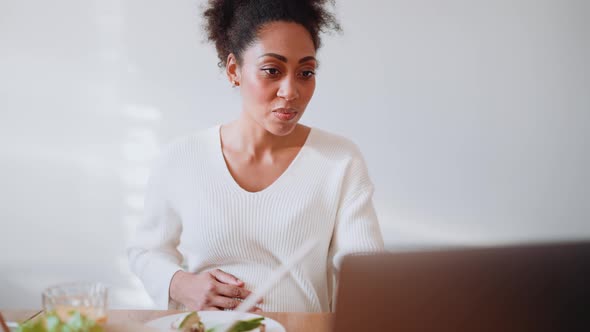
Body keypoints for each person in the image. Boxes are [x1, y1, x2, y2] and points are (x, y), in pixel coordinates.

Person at [128, 0, 384, 313]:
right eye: (272, 70)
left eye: (306, 72)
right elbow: (145, 251)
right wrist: (181, 284)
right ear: (234, 70)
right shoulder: (182, 158)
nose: (291, 91)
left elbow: (365, 273)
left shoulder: (340, 161)